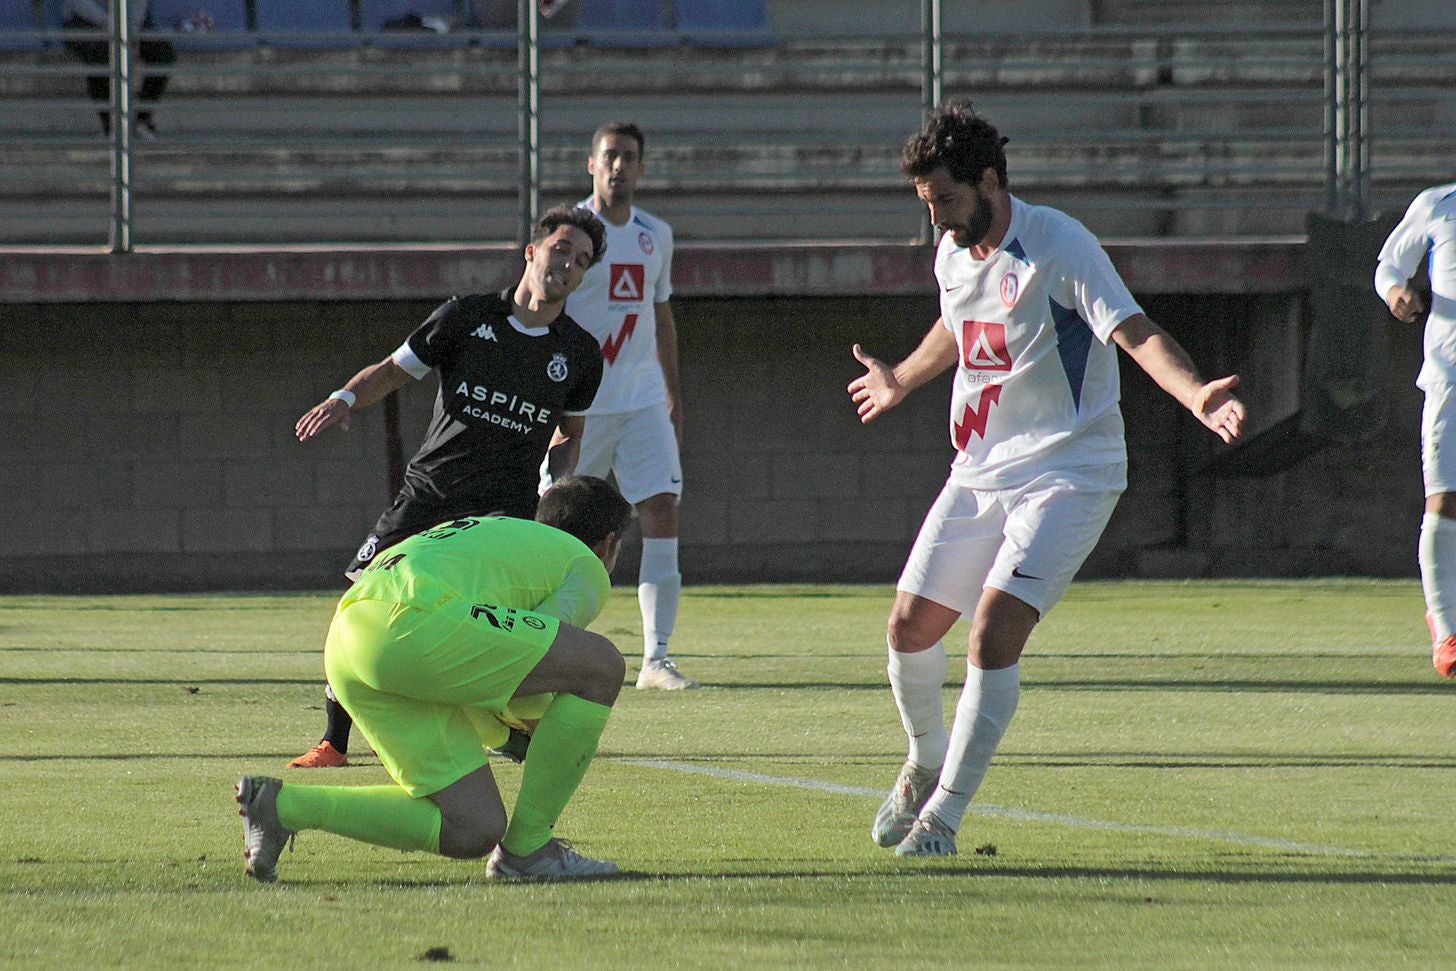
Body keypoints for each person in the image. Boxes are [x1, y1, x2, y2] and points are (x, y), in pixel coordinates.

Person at [848, 101, 1246, 857]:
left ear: (990, 181)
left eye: (947, 203)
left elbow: (1132, 330)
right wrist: (901, 375)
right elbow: (958, 326)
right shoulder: (952, 251)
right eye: (928, 205)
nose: (937, 222)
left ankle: (943, 820)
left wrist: (1194, 391)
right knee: (907, 626)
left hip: (1069, 472)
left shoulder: (1059, 243)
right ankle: (926, 760)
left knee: (994, 629)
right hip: (979, 471)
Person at [287, 205, 607, 769]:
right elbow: (392, 370)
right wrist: (343, 399)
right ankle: (334, 742)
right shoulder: (465, 317)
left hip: (502, 515)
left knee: (485, 628)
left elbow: (569, 432)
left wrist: (553, 497)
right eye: (561, 249)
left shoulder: (579, 354)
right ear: (531, 252)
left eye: (581, 261)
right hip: (429, 494)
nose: (568, 265)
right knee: (357, 600)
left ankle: (507, 730)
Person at [235, 475, 634, 882]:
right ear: (609, 543)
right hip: (411, 627)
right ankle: (529, 849)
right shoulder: (584, 562)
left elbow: (487, 659)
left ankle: (282, 807)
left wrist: (505, 735)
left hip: (347, 640)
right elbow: (544, 654)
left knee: (472, 828)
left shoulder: (500, 531)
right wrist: (532, 726)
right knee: (602, 665)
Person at [541, 121, 696, 691]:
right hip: (579, 403)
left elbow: (661, 317)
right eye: (609, 156)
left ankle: (657, 657)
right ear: (590, 164)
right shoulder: (570, 235)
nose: (618, 167)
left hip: (642, 401)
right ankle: (541, 639)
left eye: (629, 157)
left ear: (642, 167)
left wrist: (674, 396)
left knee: (661, 507)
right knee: (556, 520)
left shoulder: (657, 235)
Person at [1374, 181, 1456, 677]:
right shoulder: (1438, 203)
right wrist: (1396, 292)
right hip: (1450, 379)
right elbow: (1388, 265)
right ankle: (1447, 631)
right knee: (1444, 500)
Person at [62, 0, 176, 140]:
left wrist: (130, 31)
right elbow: (78, 4)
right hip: (83, 20)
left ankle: (143, 120)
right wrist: (113, 26)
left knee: (163, 55)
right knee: (99, 55)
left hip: (131, 21)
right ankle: (110, 126)